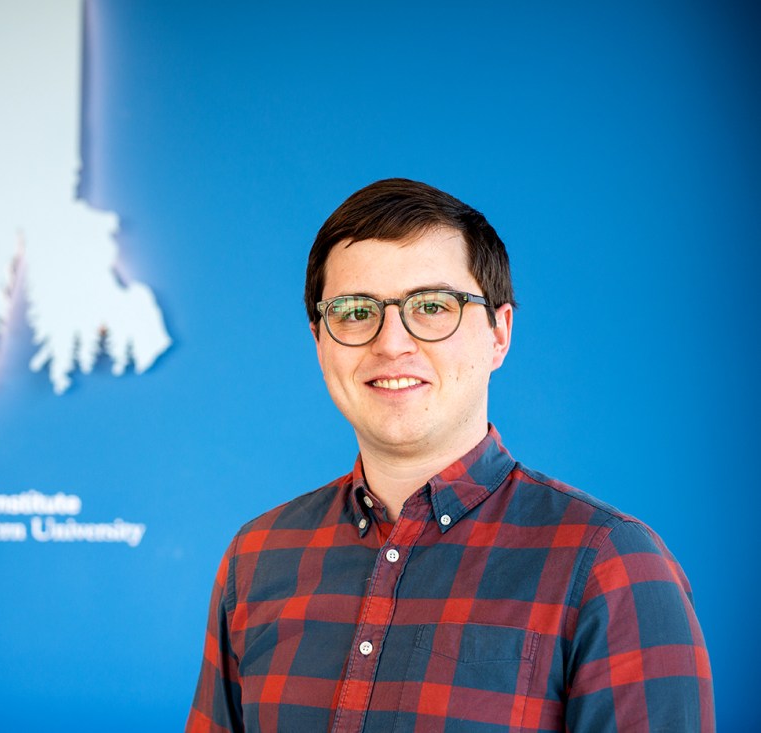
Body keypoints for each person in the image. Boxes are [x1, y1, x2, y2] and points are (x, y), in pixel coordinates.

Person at [186, 179, 714, 732]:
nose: (391, 343)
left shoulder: (610, 565)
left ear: (498, 334)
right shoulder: (258, 557)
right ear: (320, 341)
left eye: (433, 306)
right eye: (355, 311)